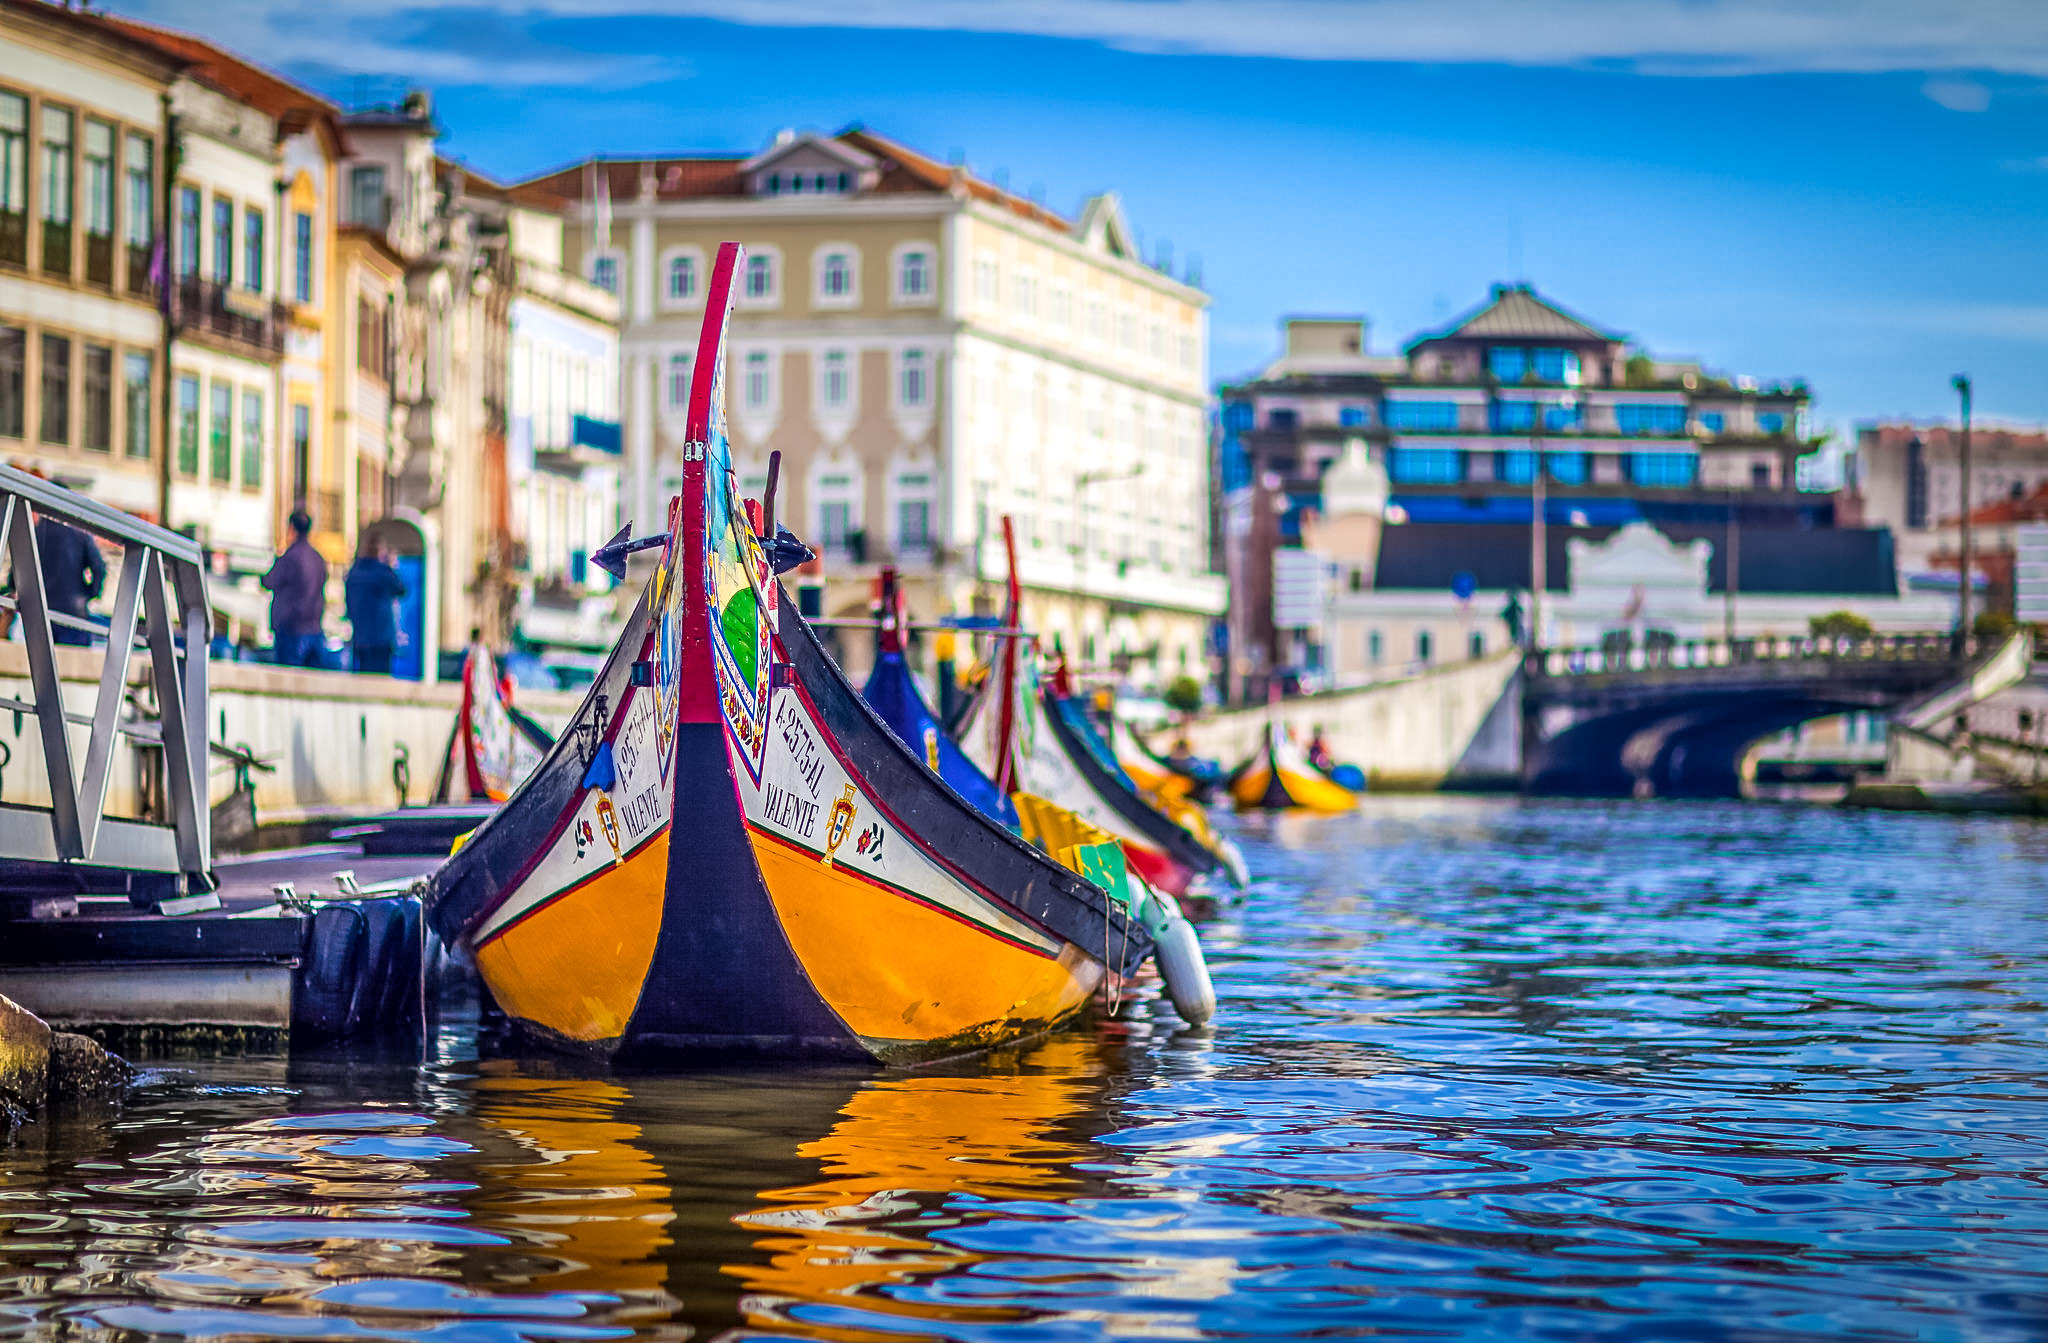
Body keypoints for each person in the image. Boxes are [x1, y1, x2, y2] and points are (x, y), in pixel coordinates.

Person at [261, 510, 327, 668]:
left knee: (288, 673)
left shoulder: (290, 557)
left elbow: (269, 581)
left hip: (290, 626)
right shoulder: (318, 558)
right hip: (314, 625)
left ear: (291, 528)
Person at [34, 513, 106, 647]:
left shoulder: (36, 532)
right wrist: (89, 594)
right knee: (74, 657)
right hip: (73, 610)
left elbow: (18, 569)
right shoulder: (79, 533)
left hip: (41, 608)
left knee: (39, 656)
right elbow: (98, 567)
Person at [344, 538, 407, 675]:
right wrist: (390, 566)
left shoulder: (354, 572)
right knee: (379, 678)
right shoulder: (382, 573)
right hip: (380, 638)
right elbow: (401, 589)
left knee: (363, 676)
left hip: (360, 637)